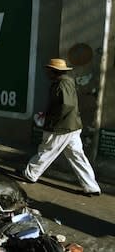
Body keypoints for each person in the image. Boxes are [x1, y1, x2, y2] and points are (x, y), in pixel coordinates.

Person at [22, 58, 101, 196]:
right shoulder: (65, 82)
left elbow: (66, 105)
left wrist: (51, 118)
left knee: (47, 151)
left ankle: (30, 174)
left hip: (62, 128)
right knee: (77, 156)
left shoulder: (61, 84)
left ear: (54, 72)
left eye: (49, 70)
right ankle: (91, 186)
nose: (47, 73)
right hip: (72, 126)